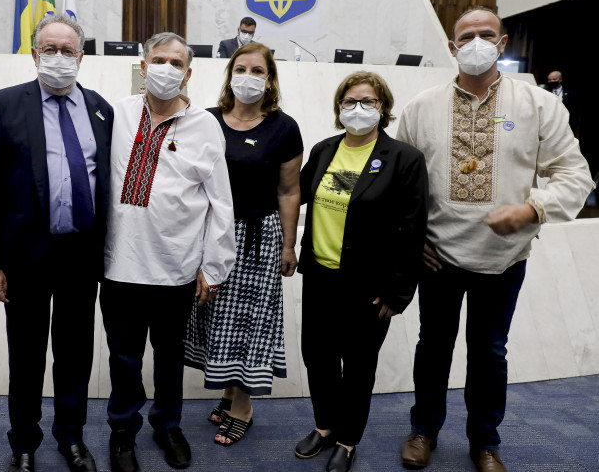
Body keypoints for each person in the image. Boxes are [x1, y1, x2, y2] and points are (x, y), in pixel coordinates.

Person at [397, 7, 594, 472]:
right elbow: (402, 184)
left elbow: (575, 174)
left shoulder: (539, 105)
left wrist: (532, 208)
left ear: (502, 44)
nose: (477, 42)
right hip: (437, 258)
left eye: (487, 34)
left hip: (504, 259)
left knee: (489, 353)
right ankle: (424, 429)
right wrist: (411, 238)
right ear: (451, 47)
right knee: (433, 347)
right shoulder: (421, 108)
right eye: (467, 36)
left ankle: (485, 441)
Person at [0, 13, 113, 472]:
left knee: (74, 354)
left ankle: (70, 437)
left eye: (67, 50)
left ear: (81, 56)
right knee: (27, 355)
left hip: (81, 255)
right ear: (34, 54)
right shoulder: (5, 104)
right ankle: (24, 443)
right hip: (24, 257)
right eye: (48, 49)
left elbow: (104, 184)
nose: (57, 58)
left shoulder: (100, 109)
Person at [102, 32, 236, 472]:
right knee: (123, 359)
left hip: (176, 268)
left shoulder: (205, 126)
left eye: (176, 63)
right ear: (143, 65)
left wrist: (212, 267)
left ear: (189, 73)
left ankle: (167, 424)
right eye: (158, 59)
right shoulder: (115, 114)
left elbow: (221, 203)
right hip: (119, 265)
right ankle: (123, 431)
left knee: (169, 357)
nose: (166, 68)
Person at [292, 71, 428, 472]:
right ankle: (325, 426)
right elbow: (295, 194)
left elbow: (413, 226)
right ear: (338, 108)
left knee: (358, 366)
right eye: (349, 101)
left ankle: (348, 440)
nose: (358, 108)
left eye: (368, 101)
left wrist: (398, 292)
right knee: (317, 357)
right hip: (320, 275)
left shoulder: (404, 158)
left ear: (383, 108)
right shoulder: (323, 150)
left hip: (369, 285)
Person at [183, 42, 303, 446]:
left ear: (269, 80)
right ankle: (230, 391)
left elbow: (289, 191)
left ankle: (243, 408)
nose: (248, 77)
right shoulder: (206, 119)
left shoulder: (284, 127)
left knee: (250, 323)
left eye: (257, 71)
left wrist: (289, 245)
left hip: (259, 239)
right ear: (229, 74)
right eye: (241, 69)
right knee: (216, 317)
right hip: (211, 233)